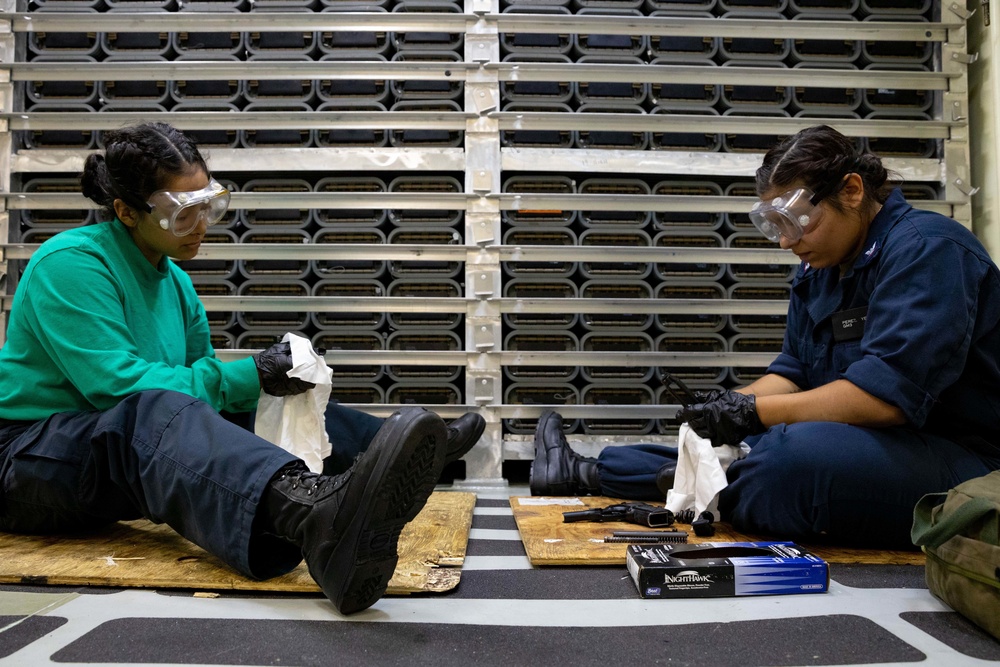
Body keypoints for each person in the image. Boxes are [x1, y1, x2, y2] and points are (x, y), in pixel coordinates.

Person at [0, 121, 485, 615]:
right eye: (183, 215)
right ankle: (313, 517)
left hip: (108, 463)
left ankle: (387, 459)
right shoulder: (70, 264)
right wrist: (247, 374)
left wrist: (267, 385)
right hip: (27, 461)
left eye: (208, 205)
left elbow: (198, 403)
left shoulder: (176, 285)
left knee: (251, 405)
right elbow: (117, 388)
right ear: (126, 211)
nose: (202, 225)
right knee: (148, 414)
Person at [530, 124, 1000, 549]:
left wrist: (753, 413)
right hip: (872, 443)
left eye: (795, 221)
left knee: (787, 459)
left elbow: (885, 399)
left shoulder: (928, 250)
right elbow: (794, 373)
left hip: (962, 461)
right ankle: (583, 471)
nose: (785, 241)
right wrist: (724, 408)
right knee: (717, 444)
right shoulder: (821, 268)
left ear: (852, 191)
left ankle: (698, 488)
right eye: (774, 226)